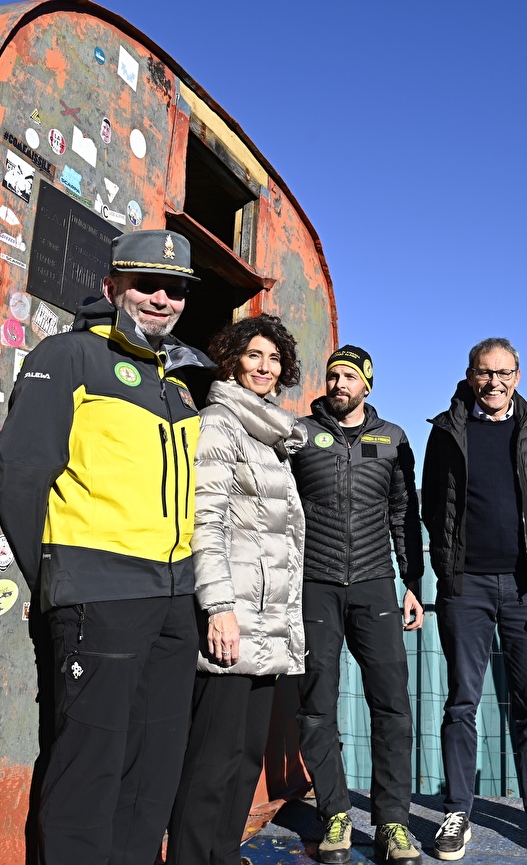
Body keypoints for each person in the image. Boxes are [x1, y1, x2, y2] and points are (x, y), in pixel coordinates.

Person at [0, 230, 212, 865]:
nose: (162, 299)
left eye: (175, 290)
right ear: (113, 285)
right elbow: (20, 472)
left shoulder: (179, 382)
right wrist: (60, 578)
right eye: (147, 284)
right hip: (99, 594)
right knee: (89, 768)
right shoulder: (68, 355)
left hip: (174, 598)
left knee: (153, 769)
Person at [166, 315, 308, 864]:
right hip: (235, 618)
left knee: (246, 756)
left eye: (274, 359)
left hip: (269, 622)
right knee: (211, 759)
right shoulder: (221, 424)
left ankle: (223, 855)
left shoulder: (269, 433)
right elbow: (206, 523)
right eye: (254, 356)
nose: (265, 368)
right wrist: (219, 608)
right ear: (231, 360)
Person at [422, 337, 527, 862]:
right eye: (485, 373)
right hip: (466, 587)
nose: (494, 382)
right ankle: (457, 812)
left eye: (504, 373)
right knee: (462, 702)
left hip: (525, 590)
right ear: (469, 375)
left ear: (519, 375)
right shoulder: (445, 430)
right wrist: (445, 569)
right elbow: (430, 503)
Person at [291, 346, 425, 863]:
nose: (339, 383)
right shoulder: (300, 434)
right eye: (332, 375)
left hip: (375, 585)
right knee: (317, 703)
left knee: (391, 705)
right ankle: (336, 814)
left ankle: (393, 823)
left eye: (349, 376)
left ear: (368, 385)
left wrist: (412, 582)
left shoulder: (392, 439)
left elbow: (403, 513)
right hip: (315, 584)